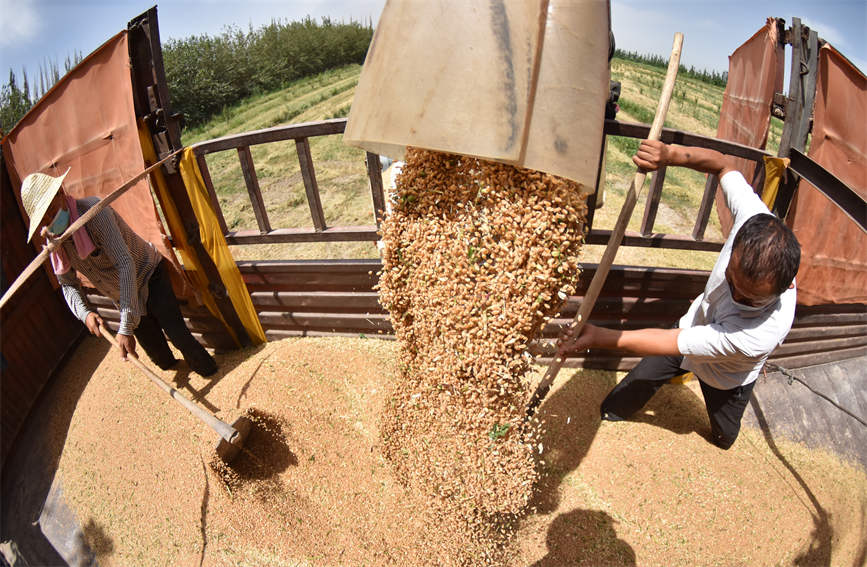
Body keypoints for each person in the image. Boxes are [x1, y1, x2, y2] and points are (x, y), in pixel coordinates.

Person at [559, 140, 800, 449]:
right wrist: (670, 155)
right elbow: (722, 164)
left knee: (724, 436)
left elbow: (671, 342)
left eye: (749, 299)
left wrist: (596, 335)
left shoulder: (760, 335)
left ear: (787, 286)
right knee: (615, 405)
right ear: (741, 237)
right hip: (692, 327)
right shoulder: (752, 220)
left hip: (726, 376)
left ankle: (727, 424)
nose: (734, 296)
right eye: (731, 281)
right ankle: (615, 410)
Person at [20, 169, 218, 377]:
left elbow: (125, 264)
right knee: (158, 356)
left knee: (180, 337)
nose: (52, 218)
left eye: (52, 208)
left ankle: (210, 370)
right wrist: (85, 314)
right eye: (45, 217)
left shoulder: (94, 213)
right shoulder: (55, 243)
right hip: (122, 295)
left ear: (61, 192)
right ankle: (174, 368)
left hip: (149, 274)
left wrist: (125, 328)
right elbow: (68, 284)